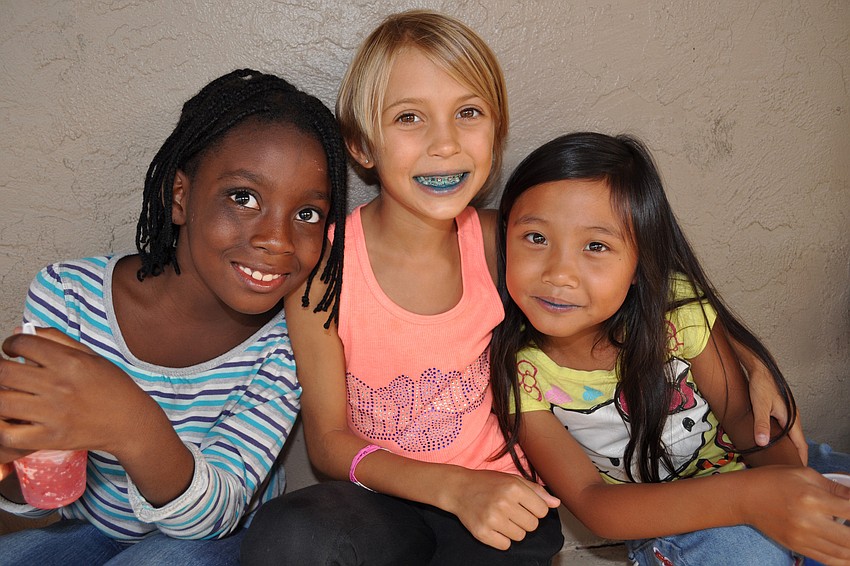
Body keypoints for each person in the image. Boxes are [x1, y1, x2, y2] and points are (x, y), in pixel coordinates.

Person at [241, 10, 566, 566]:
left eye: (468, 113)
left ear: (497, 130)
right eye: (410, 118)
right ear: (363, 146)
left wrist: (738, 356)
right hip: (382, 501)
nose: (444, 144)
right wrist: (449, 487)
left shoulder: (499, 242)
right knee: (290, 537)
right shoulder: (326, 269)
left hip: (499, 494)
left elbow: (619, 288)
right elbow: (327, 442)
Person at [0, 68, 348, 565]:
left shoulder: (285, 346)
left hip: (220, 542)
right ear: (180, 196)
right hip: (93, 532)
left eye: (307, 214)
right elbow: (43, 498)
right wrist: (17, 456)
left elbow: (216, 516)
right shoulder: (68, 298)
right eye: (243, 198)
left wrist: (131, 422)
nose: (278, 239)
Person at [490, 132, 850, 566]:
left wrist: (789, 482)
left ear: (641, 265)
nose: (559, 273)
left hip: (762, 473)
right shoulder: (521, 372)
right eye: (535, 238)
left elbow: (741, 417)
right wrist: (753, 499)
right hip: (672, 522)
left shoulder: (676, 314)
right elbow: (594, 502)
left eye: (596, 246)